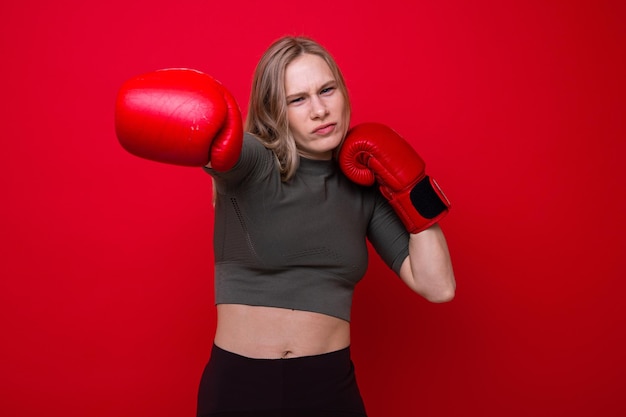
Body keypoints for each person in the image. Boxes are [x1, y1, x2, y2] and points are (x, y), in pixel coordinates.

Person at [115, 36, 456, 417]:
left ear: (342, 91)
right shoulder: (253, 163)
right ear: (276, 109)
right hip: (240, 389)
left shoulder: (366, 187)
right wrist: (208, 127)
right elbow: (211, 139)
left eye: (327, 90)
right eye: (298, 99)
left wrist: (412, 186)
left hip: (330, 389)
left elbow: (438, 286)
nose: (319, 110)